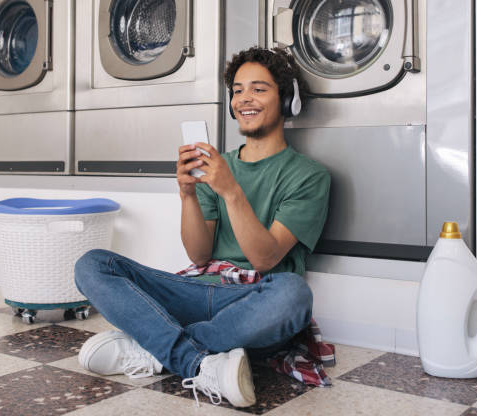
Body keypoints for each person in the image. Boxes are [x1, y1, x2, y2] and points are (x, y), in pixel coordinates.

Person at [74, 47, 332, 408]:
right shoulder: (216, 165)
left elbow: (266, 259)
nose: (245, 99)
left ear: (286, 99)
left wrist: (230, 190)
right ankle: (198, 361)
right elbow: (199, 254)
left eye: (259, 89)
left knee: (294, 294)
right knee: (92, 264)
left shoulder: (309, 176)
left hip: (255, 301)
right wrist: (187, 194)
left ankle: (155, 346)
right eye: (238, 91)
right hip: (197, 290)